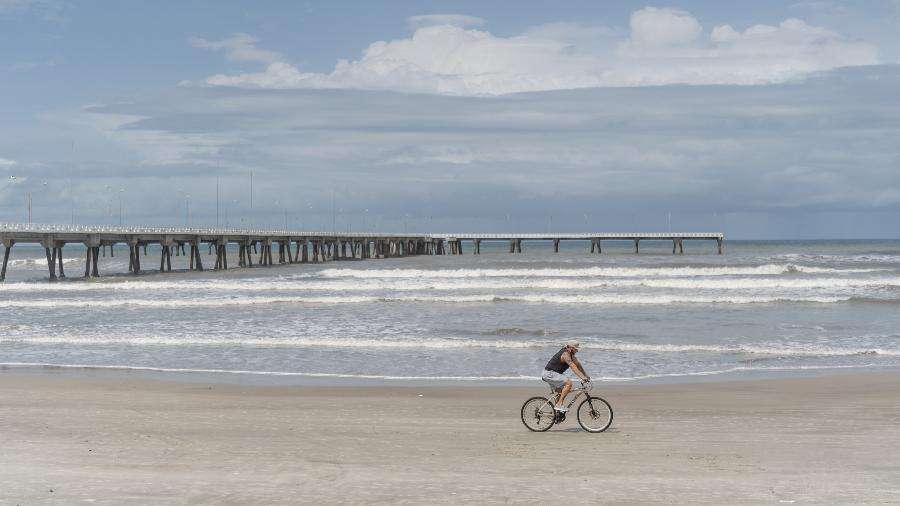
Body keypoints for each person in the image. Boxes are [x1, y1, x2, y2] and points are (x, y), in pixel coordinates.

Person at [541, 340, 590, 412]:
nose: (577, 351)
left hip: (553, 374)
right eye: (576, 349)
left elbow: (578, 365)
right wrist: (582, 377)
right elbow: (573, 366)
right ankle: (559, 405)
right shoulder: (565, 354)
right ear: (570, 348)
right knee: (569, 383)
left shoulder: (571, 355)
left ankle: (557, 414)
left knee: (560, 393)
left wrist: (585, 375)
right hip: (549, 374)